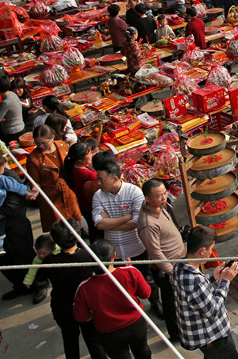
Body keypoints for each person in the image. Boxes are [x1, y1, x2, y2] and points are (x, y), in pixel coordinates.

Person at [93, 154, 162, 318]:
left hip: (137, 246)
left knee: (147, 279)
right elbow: (99, 224)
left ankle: (155, 302)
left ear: (115, 178)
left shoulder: (134, 192)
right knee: (121, 284)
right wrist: (127, 217)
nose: (98, 183)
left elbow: (137, 222)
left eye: (102, 180)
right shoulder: (98, 196)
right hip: (114, 250)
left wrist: (110, 220)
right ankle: (132, 307)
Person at [73, 239, 153, 359]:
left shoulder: (84, 287)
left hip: (109, 332)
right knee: (142, 350)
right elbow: (146, 294)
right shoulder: (130, 272)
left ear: (90, 260)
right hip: (136, 325)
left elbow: (81, 317)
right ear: (114, 256)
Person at [40, 220, 107, 359]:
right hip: (87, 305)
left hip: (63, 307)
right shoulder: (88, 256)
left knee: (70, 339)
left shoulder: (50, 261)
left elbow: (40, 277)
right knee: (94, 340)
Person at [172, 226, 238, 359]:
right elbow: (213, 311)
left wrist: (213, 277)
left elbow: (193, 294)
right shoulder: (195, 281)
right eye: (210, 249)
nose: (211, 253)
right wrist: (225, 281)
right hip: (213, 338)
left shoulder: (179, 266)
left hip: (203, 337)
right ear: (202, 250)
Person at [137, 178, 186, 343]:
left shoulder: (161, 207)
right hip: (167, 270)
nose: (164, 197)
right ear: (147, 199)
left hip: (177, 262)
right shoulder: (148, 223)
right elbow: (155, 252)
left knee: (178, 300)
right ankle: (176, 334)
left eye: (165, 193)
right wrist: (172, 271)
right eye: (159, 195)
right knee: (171, 303)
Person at [26, 124, 81, 231]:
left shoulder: (61, 145)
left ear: (52, 137)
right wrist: (34, 190)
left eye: (43, 142)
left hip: (68, 190)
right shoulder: (33, 158)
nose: (40, 146)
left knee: (75, 216)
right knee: (59, 227)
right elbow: (35, 181)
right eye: (37, 143)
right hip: (51, 197)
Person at [0, 75, 26, 143]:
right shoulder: (13, 94)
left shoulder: (5, 102)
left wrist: (2, 119)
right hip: (21, 127)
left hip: (13, 132)